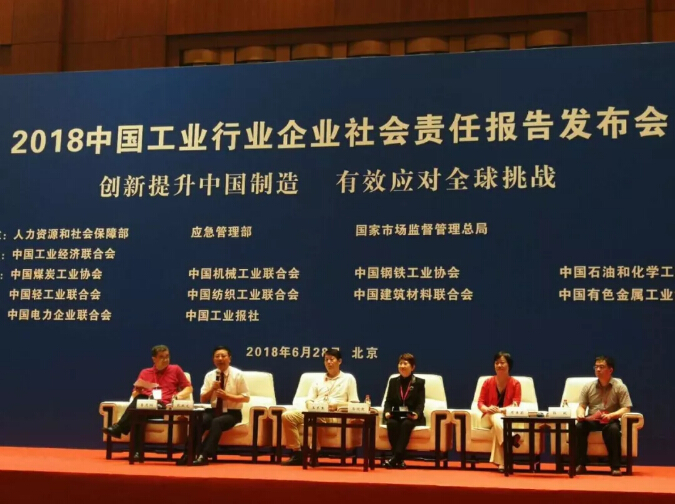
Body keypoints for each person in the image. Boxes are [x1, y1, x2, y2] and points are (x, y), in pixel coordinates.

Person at [101, 345, 193, 461]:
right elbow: (135, 395)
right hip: (146, 404)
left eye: (167, 356)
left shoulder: (175, 369)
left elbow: (189, 388)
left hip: (163, 407)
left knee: (138, 409)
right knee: (139, 409)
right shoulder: (145, 372)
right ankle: (137, 453)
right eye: (161, 357)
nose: (165, 359)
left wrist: (179, 396)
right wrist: (138, 391)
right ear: (154, 359)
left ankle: (120, 429)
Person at [281, 348, 359, 466]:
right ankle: (297, 453)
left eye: (331, 359)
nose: (328, 362)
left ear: (339, 361)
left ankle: (314, 452)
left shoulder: (348, 379)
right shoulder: (318, 380)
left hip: (333, 414)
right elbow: (309, 400)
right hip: (314, 411)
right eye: (326, 360)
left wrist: (337, 405)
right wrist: (311, 405)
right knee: (287, 416)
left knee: (317, 417)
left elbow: (354, 403)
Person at [189, 346, 250, 466]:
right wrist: (212, 389)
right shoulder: (210, 375)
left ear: (229, 359)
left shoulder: (238, 375)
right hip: (213, 410)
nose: (220, 359)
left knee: (217, 422)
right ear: (213, 360)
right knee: (200, 420)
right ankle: (188, 453)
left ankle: (204, 455)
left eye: (223, 356)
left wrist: (227, 396)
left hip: (232, 413)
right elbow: (203, 399)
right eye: (217, 356)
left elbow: (245, 398)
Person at [575, 355, 632, 476]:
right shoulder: (588, 387)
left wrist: (611, 415)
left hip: (610, 420)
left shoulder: (620, 387)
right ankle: (581, 464)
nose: (598, 369)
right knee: (579, 427)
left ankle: (615, 467)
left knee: (613, 430)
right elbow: (582, 406)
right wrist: (580, 413)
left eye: (601, 367)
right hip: (593, 419)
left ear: (610, 370)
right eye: (596, 367)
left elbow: (626, 408)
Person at [477, 351, 521, 472]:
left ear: (509, 365)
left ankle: (503, 463)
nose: (499, 365)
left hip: (504, 419)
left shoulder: (515, 384)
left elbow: (516, 404)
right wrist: (487, 409)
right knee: (496, 416)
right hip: (487, 418)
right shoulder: (487, 382)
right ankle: (510, 437)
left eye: (502, 363)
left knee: (499, 424)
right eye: (496, 363)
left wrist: (500, 410)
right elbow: (480, 403)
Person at [382, 353, 425, 469]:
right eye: (400, 363)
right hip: (396, 415)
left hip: (411, 416)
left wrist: (416, 414)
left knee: (406, 424)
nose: (402, 366)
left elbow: (421, 403)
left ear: (413, 367)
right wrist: (387, 412)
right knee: (391, 423)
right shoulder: (393, 381)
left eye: (405, 363)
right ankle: (398, 459)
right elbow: (388, 401)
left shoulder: (419, 383)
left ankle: (395, 458)